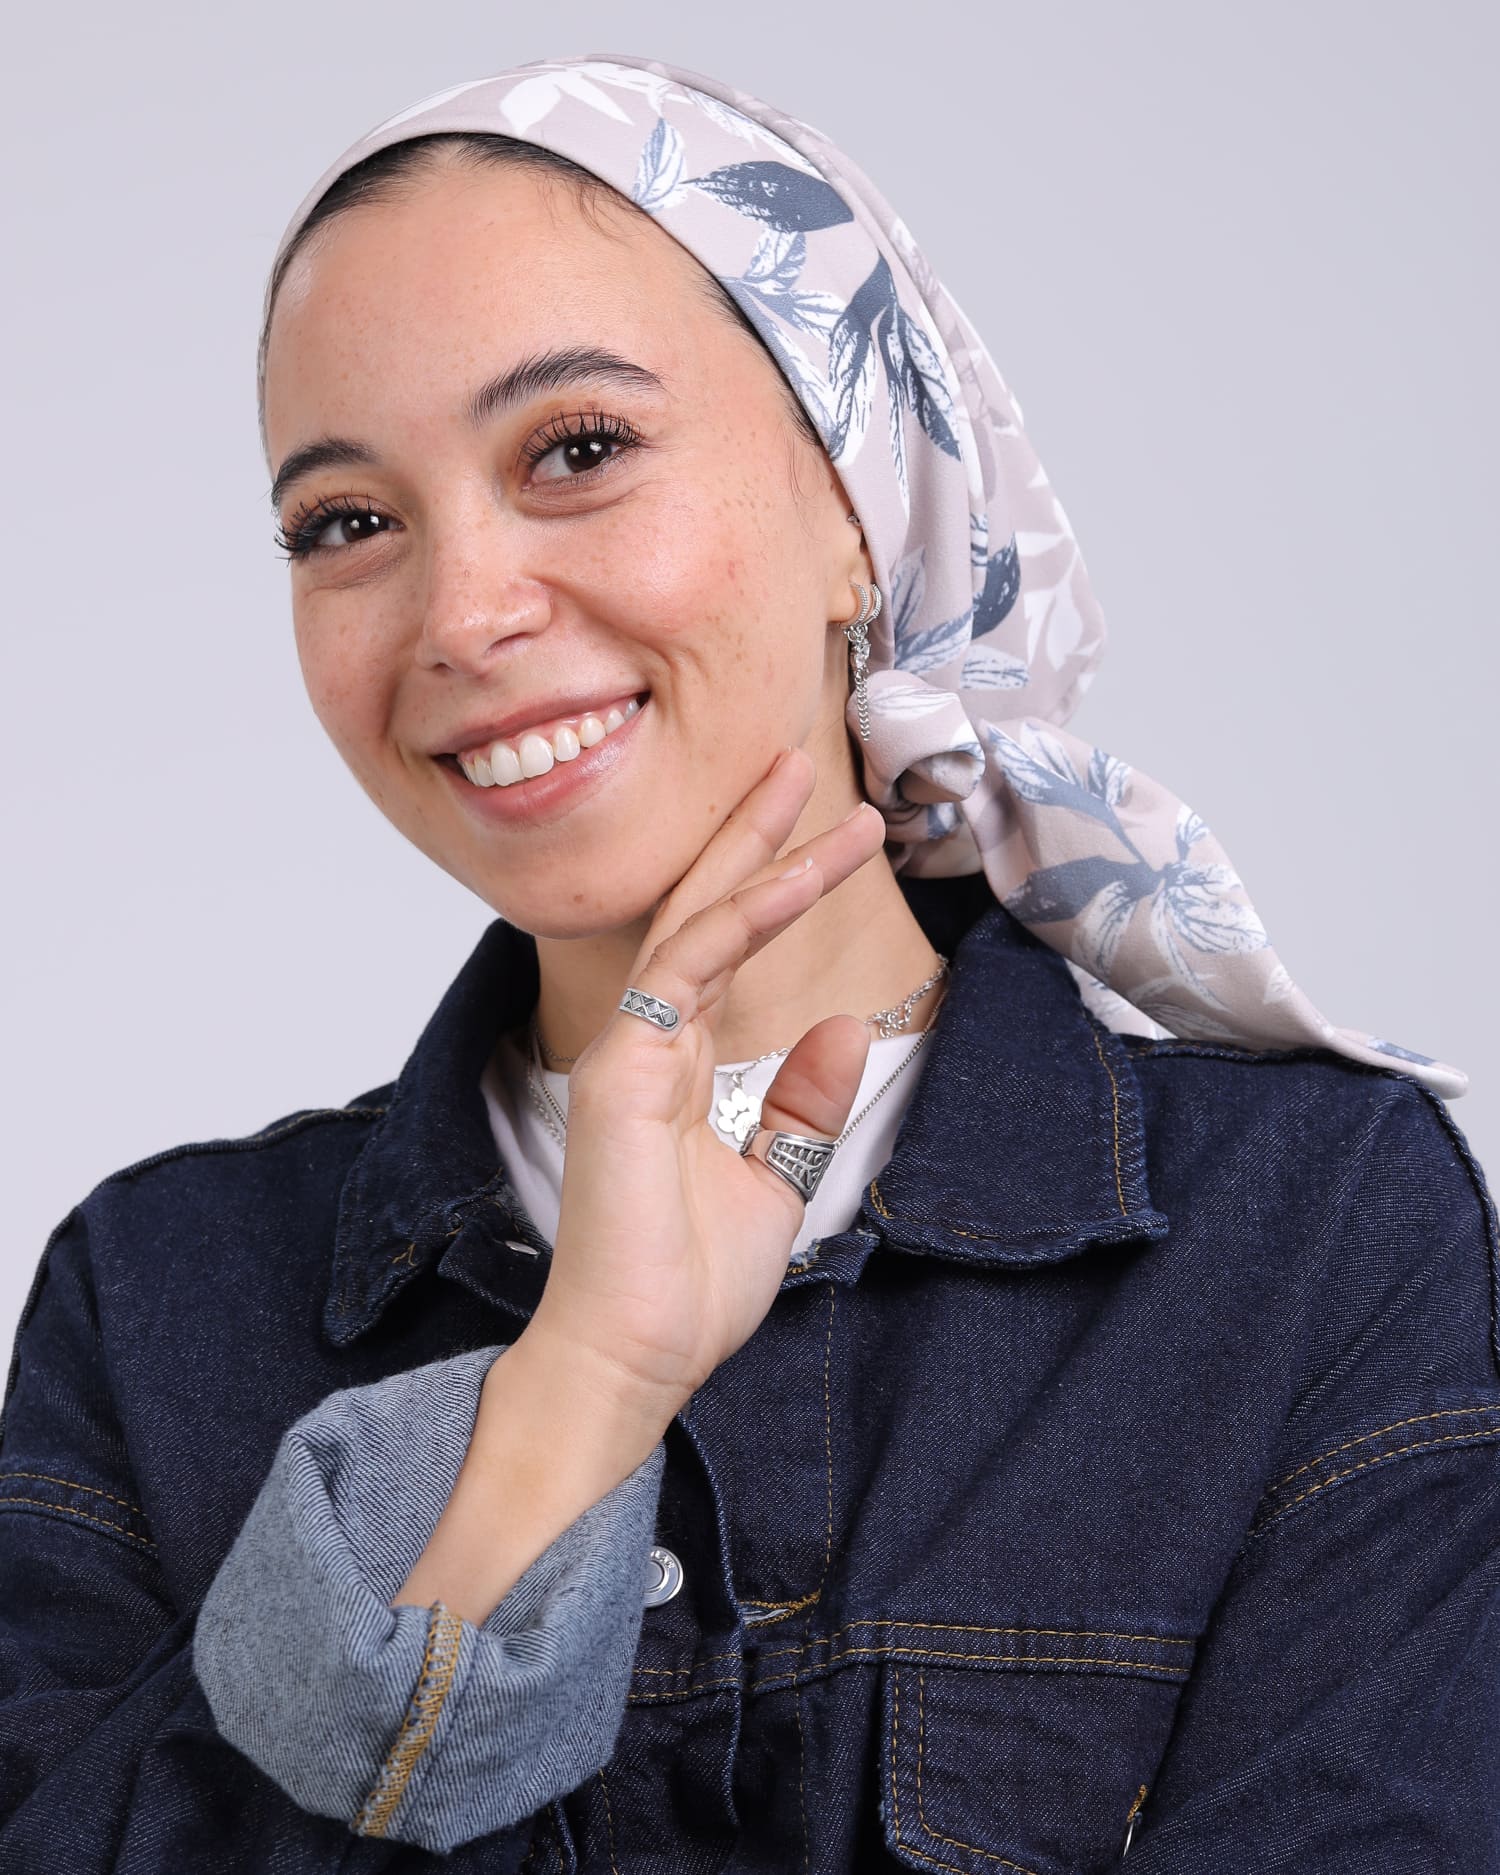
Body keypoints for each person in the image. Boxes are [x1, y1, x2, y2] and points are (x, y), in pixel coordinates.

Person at [2, 50, 1496, 1874]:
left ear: (856, 512)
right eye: (348, 523)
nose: (461, 613)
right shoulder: (154, 1302)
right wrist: (571, 1402)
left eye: (577, 450)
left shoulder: (1313, 1234)